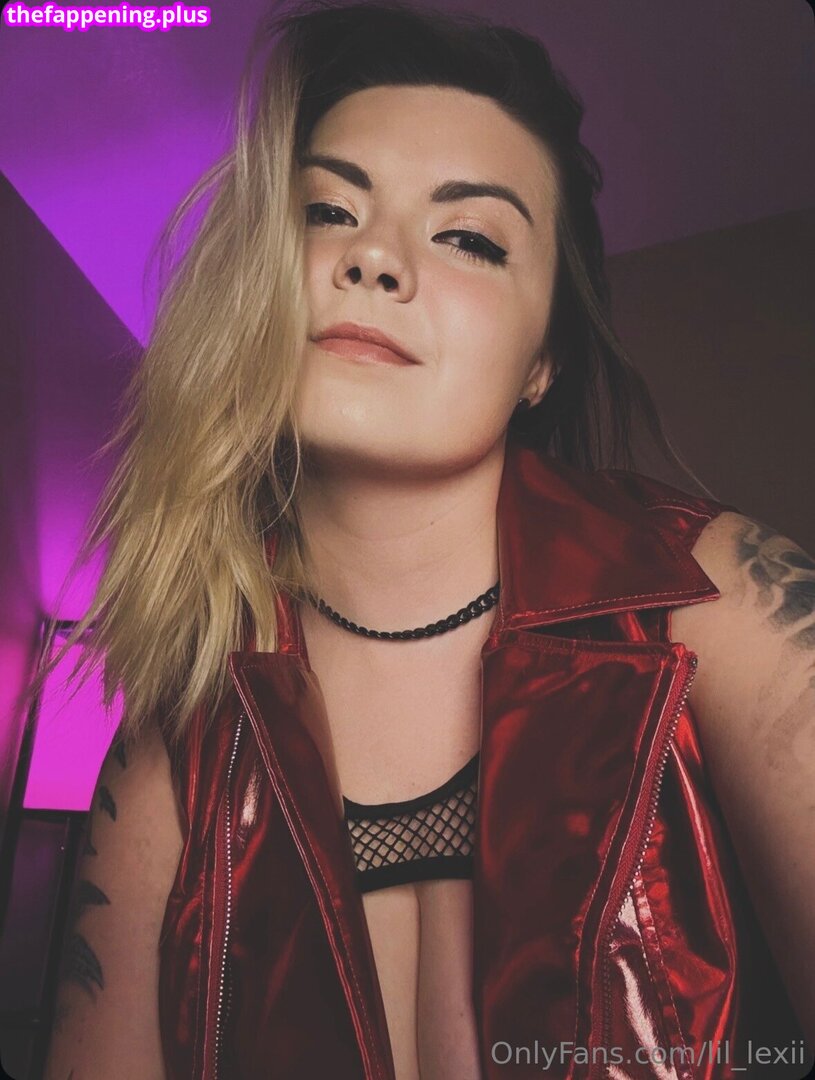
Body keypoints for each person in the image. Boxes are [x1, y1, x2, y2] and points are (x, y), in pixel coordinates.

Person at [37, 1, 813, 1077]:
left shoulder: (719, 605)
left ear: (542, 362)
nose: (371, 257)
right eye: (327, 211)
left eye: (468, 237)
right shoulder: (175, 741)